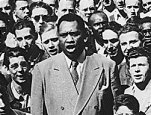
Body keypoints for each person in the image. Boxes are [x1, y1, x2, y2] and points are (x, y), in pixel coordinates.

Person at [31, 13, 121, 115]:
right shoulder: (43, 70)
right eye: (64, 35)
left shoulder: (106, 66)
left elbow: (117, 110)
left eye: (74, 34)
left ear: (85, 36)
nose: (69, 40)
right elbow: (37, 112)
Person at [3, 47, 32, 114]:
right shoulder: (4, 98)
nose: (20, 70)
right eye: (14, 66)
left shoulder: (39, 90)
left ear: (29, 66)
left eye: (23, 65)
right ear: (7, 69)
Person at [125, 47, 151, 115]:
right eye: (133, 66)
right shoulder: (127, 93)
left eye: (141, 65)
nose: (137, 70)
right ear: (129, 70)